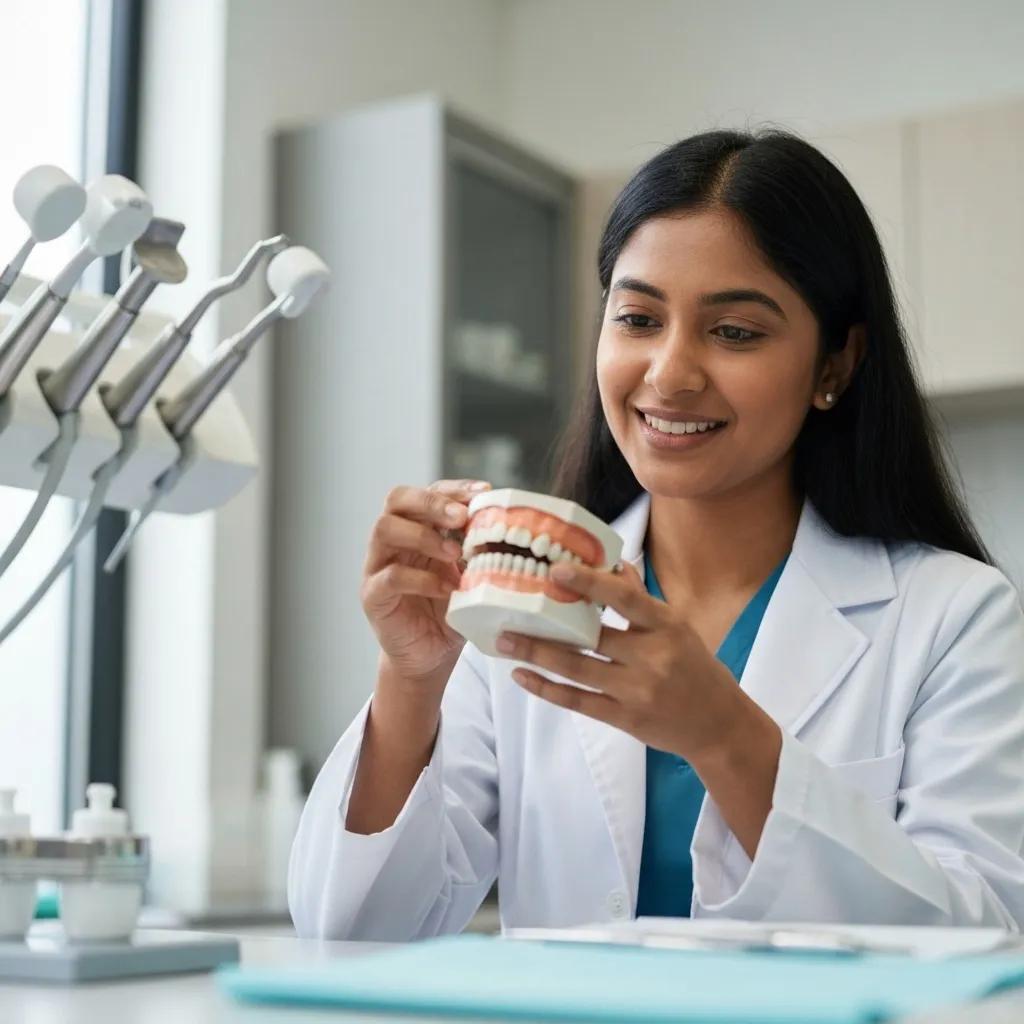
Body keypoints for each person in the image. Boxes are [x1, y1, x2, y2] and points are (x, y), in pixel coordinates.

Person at [288, 127, 1024, 940]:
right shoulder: (519, 608)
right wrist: (410, 678)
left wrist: (723, 735)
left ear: (835, 366)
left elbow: (984, 941)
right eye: (638, 318)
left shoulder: (953, 619)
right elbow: (354, 935)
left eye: (735, 331)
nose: (670, 374)